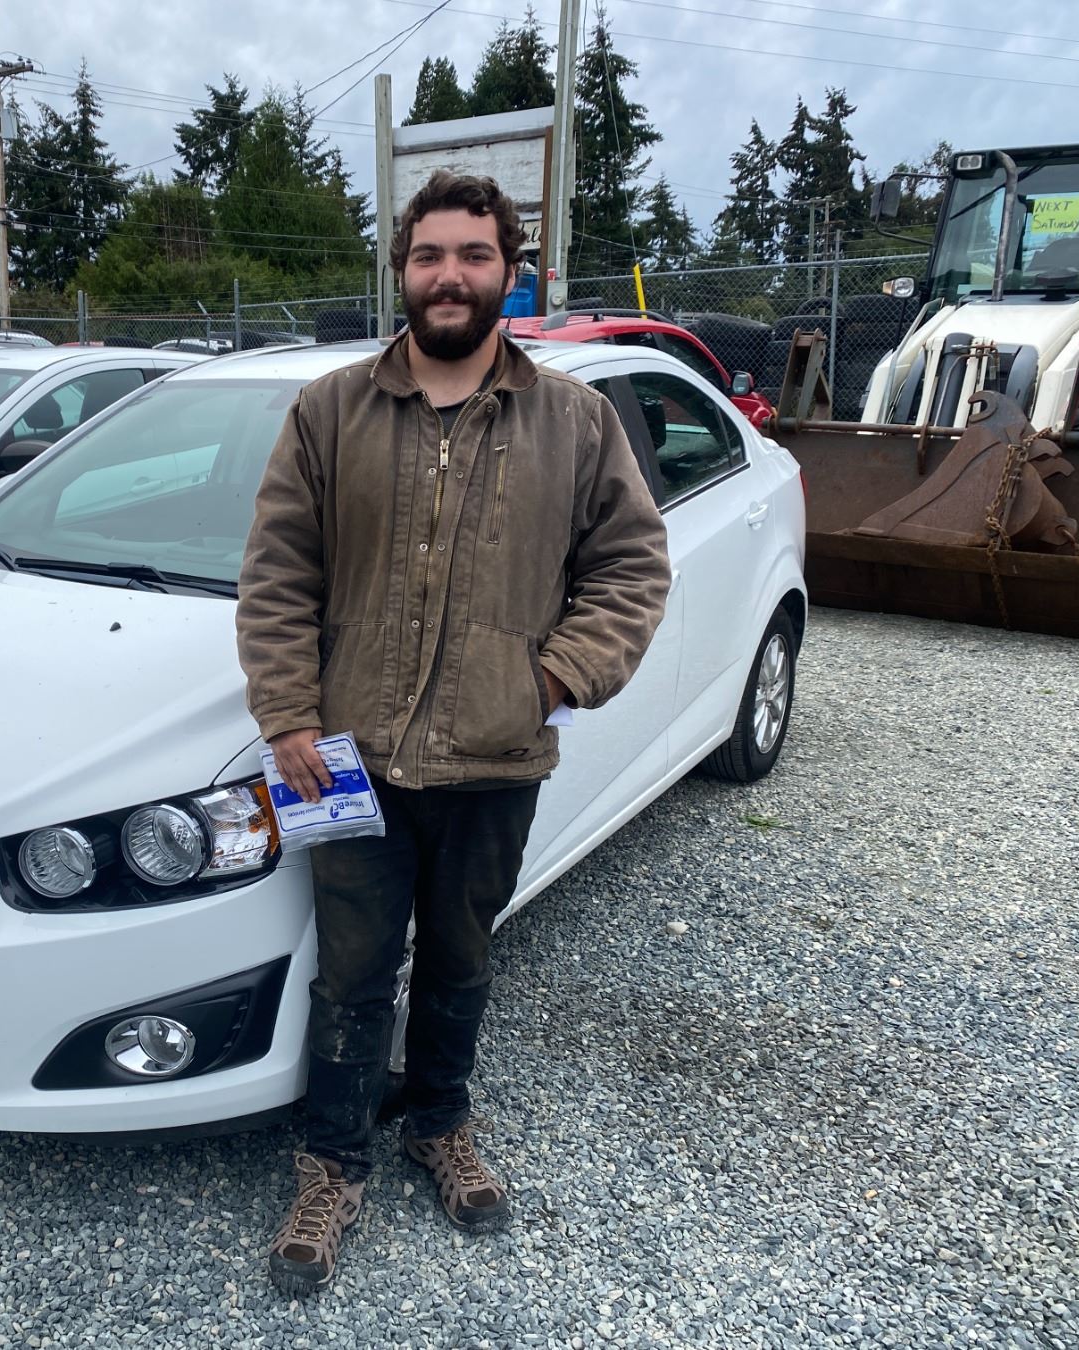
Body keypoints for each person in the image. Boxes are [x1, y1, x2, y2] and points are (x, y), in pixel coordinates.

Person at [235, 170, 673, 1297]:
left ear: (509, 273)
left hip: (495, 758)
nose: (450, 275)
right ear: (402, 269)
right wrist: (288, 715)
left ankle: (438, 1122)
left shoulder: (572, 420)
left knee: (462, 959)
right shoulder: (330, 411)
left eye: (474, 255)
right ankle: (332, 1163)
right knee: (350, 973)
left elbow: (631, 568)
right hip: (345, 762)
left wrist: (553, 678)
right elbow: (278, 574)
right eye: (430, 254)